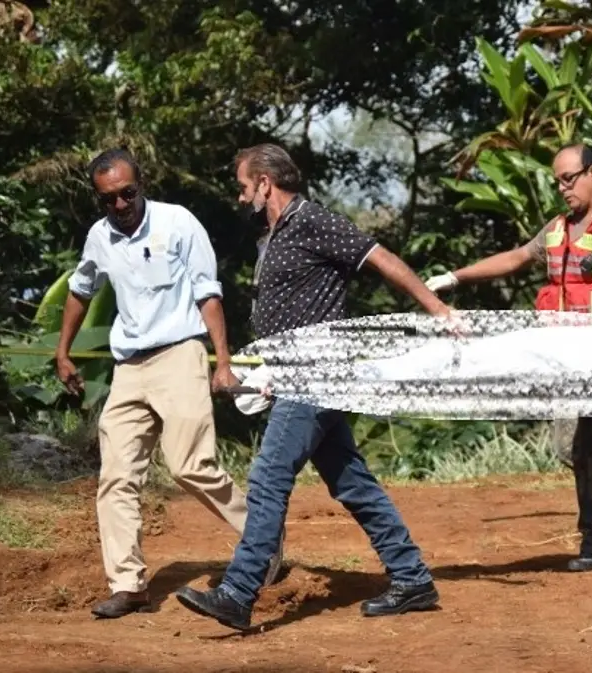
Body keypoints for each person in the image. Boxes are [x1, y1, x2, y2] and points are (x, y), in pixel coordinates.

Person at [174, 143, 454, 631]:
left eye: (244, 187)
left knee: (267, 478)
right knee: (352, 482)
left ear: (265, 183)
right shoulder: (276, 235)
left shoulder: (312, 221)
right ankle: (412, 579)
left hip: (317, 374)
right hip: (292, 375)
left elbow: (381, 257)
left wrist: (439, 311)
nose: (241, 199)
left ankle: (239, 593)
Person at [425, 143, 592, 571]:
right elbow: (517, 258)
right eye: (557, 182)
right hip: (568, 361)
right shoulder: (558, 228)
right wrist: (454, 277)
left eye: (569, 178)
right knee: (569, 447)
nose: (562, 188)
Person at [54, 148, 278, 619]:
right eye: (108, 199)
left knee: (189, 465)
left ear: (142, 186)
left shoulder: (178, 223)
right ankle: (128, 584)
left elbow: (207, 292)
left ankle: (263, 539)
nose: (119, 206)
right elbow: (80, 289)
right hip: (129, 368)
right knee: (116, 477)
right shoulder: (99, 238)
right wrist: (62, 351)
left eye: (127, 194)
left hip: (180, 355)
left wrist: (221, 362)